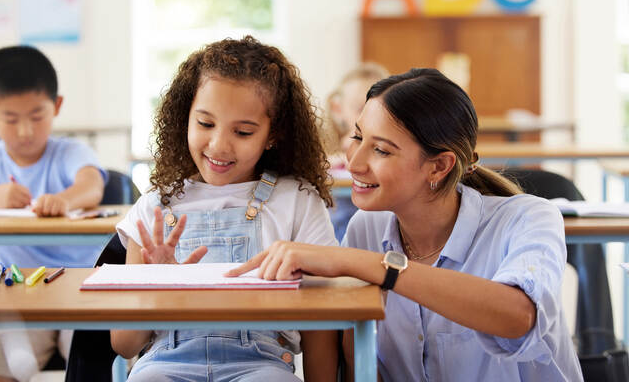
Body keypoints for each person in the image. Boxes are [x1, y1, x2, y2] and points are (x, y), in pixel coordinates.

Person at [228, 68, 584, 381]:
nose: (355, 164)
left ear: (439, 166)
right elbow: (363, 367)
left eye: (381, 150)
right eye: (358, 137)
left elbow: (517, 316)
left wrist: (370, 266)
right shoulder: (366, 230)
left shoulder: (529, 218)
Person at [111, 36, 339, 382]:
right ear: (183, 116)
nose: (219, 145)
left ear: (272, 134)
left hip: (261, 366)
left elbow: (322, 323)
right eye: (205, 124)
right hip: (165, 365)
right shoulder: (155, 206)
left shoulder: (298, 201)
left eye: (244, 132)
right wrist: (153, 285)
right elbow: (125, 345)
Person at [0, 45, 107, 382]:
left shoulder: (68, 152)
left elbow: (92, 184)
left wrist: (64, 199)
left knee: (93, 366)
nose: (25, 131)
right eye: (10, 119)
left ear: (57, 106)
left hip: (80, 294)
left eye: (37, 116)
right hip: (16, 297)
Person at [323, 63, 389, 242]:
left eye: (381, 109)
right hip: (335, 241)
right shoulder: (329, 152)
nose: (371, 116)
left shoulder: (393, 148)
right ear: (338, 109)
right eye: (361, 108)